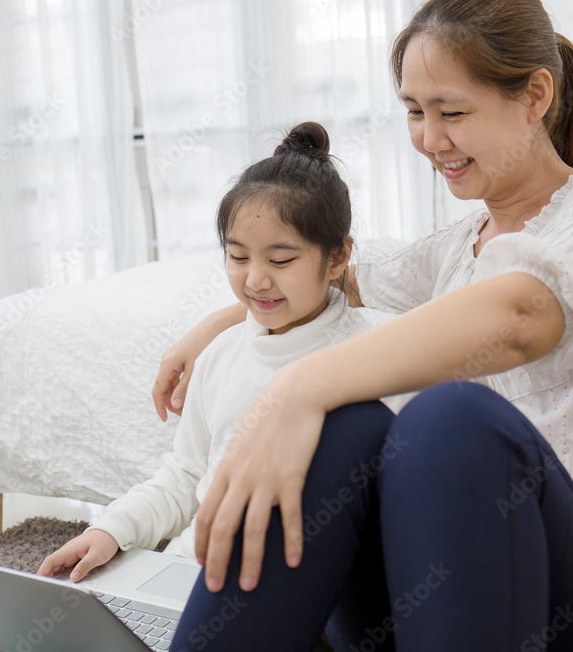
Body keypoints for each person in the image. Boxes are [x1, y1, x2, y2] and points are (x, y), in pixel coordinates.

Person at [156, 0, 573, 650]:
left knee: (448, 419)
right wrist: (218, 323)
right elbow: (330, 275)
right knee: (349, 427)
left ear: (536, 97)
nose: (429, 140)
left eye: (452, 111)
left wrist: (297, 386)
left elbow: (522, 314)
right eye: (413, 111)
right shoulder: (451, 254)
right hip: (468, 608)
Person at [37, 122, 404, 593]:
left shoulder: (384, 350)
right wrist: (110, 531)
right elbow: (186, 476)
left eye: (281, 260)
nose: (255, 280)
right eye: (238, 257)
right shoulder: (221, 355)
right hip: (187, 575)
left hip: (284, 585)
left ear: (337, 258)